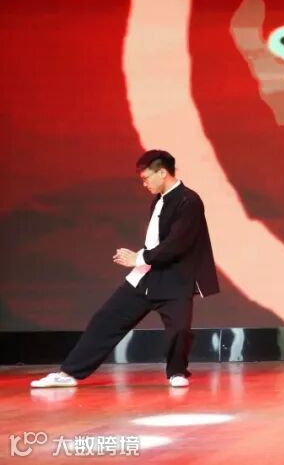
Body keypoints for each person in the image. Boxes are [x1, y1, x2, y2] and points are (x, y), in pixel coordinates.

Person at [31, 150, 219, 388]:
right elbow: (158, 241)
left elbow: (177, 243)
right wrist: (141, 259)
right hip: (145, 276)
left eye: (146, 178)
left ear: (162, 173)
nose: (144, 183)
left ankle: (176, 373)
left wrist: (138, 257)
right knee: (106, 321)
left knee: (179, 330)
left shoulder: (188, 201)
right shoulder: (158, 200)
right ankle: (69, 373)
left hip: (174, 279)